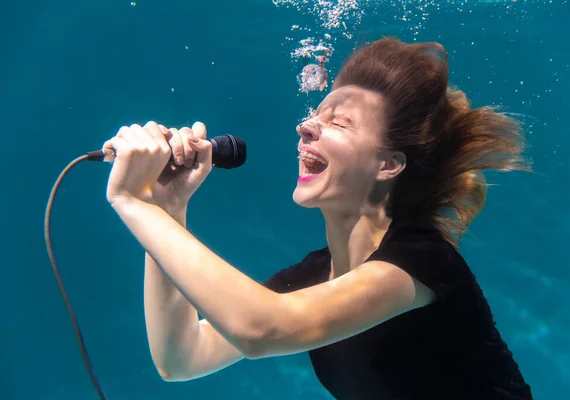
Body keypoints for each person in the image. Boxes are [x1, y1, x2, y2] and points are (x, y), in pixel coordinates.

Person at [103, 37, 533, 399]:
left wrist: (132, 202)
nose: (306, 127)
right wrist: (167, 207)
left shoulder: (422, 261)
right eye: (315, 116)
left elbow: (260, 328)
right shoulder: (311, 276)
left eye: (339, 123)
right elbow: (181, 358)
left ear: (388, 165)